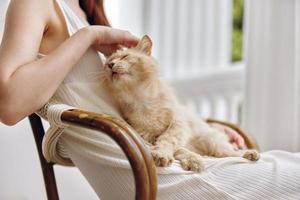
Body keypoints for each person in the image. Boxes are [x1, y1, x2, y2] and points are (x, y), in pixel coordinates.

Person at [0, 0, 299, 199]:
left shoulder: (86, 9)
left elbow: (132, 113)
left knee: (287, 165)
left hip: (166, 160)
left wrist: (201, 130)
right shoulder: (36, 3)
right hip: (154, 179)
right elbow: (9, 104)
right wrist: (89, 36)